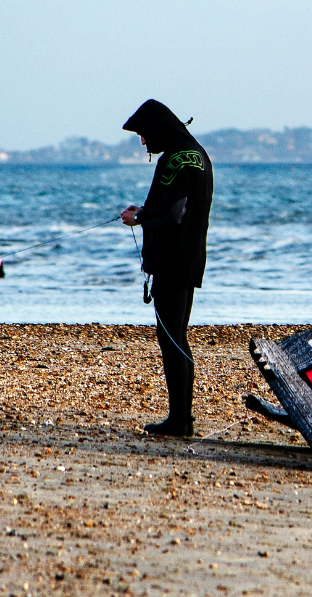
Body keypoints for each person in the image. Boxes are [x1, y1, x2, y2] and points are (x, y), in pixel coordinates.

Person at [120, 99, 214, 437]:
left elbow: (173, 215)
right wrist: (146, 209)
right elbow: (180, 206)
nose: (143, 142)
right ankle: (182, 419)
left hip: (173, 260)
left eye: (143, 135)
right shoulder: (196, 153)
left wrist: (139, 216)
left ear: (158, 130)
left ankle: (180, 421)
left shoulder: (174, 158)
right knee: (178, 335)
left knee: (172, 338)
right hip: (189, 258)